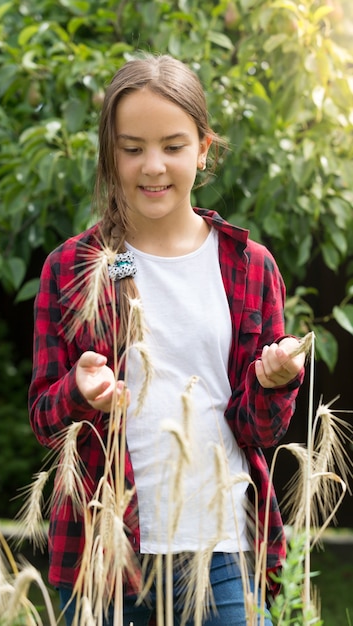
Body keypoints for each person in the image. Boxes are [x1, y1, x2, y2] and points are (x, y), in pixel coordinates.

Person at [29, 53, 306, 626]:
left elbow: (261, 430)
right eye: (132, 148)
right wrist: (81, 393)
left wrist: (273, 382)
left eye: (173, 146)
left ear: (203, 149)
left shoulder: (250, 267)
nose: (153, 166)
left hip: (223, 548)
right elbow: (43, 419)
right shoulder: (72, 268)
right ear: (110, 152)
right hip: (104, 552)